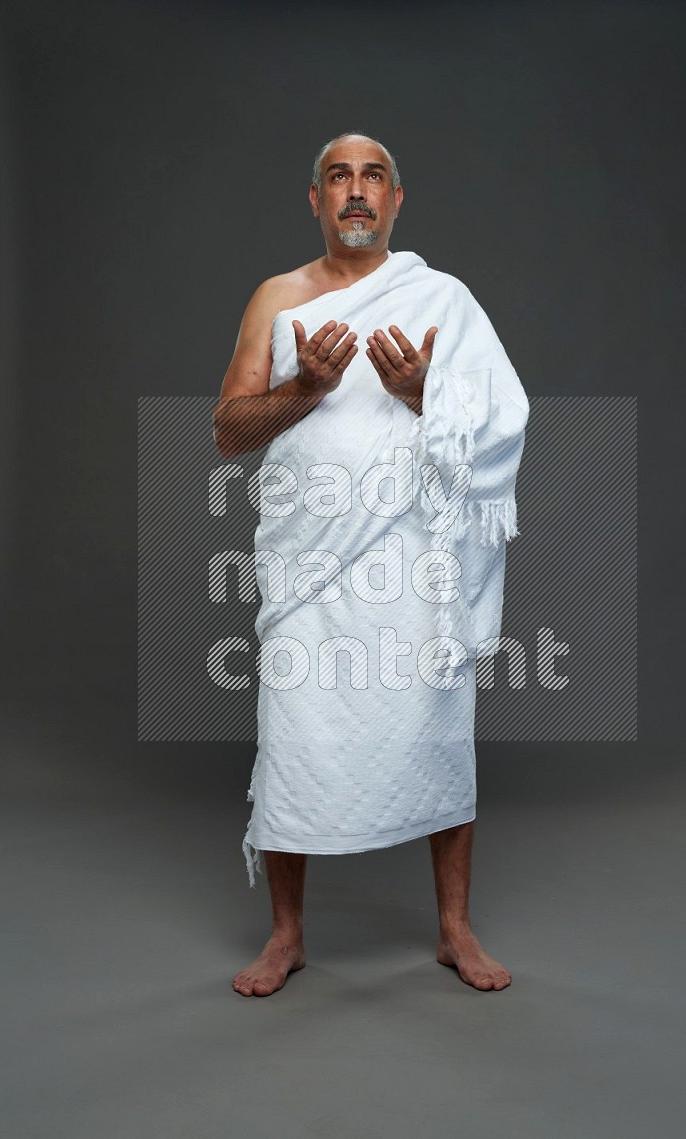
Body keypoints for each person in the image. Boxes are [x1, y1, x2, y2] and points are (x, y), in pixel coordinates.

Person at [213, 131, 529, 996]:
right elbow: (227, 431)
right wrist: (303, 390)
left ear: (396, 200)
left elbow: (506, 418)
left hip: (416, 564)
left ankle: (454, 930)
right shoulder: (277, 299)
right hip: (308, 569)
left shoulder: (444, 299)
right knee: (293, 738)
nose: (357, 191)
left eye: (373, 177)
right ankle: (286, 936)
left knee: (439, 733)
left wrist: (429, 396)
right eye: (339, 177)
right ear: (314, 199)